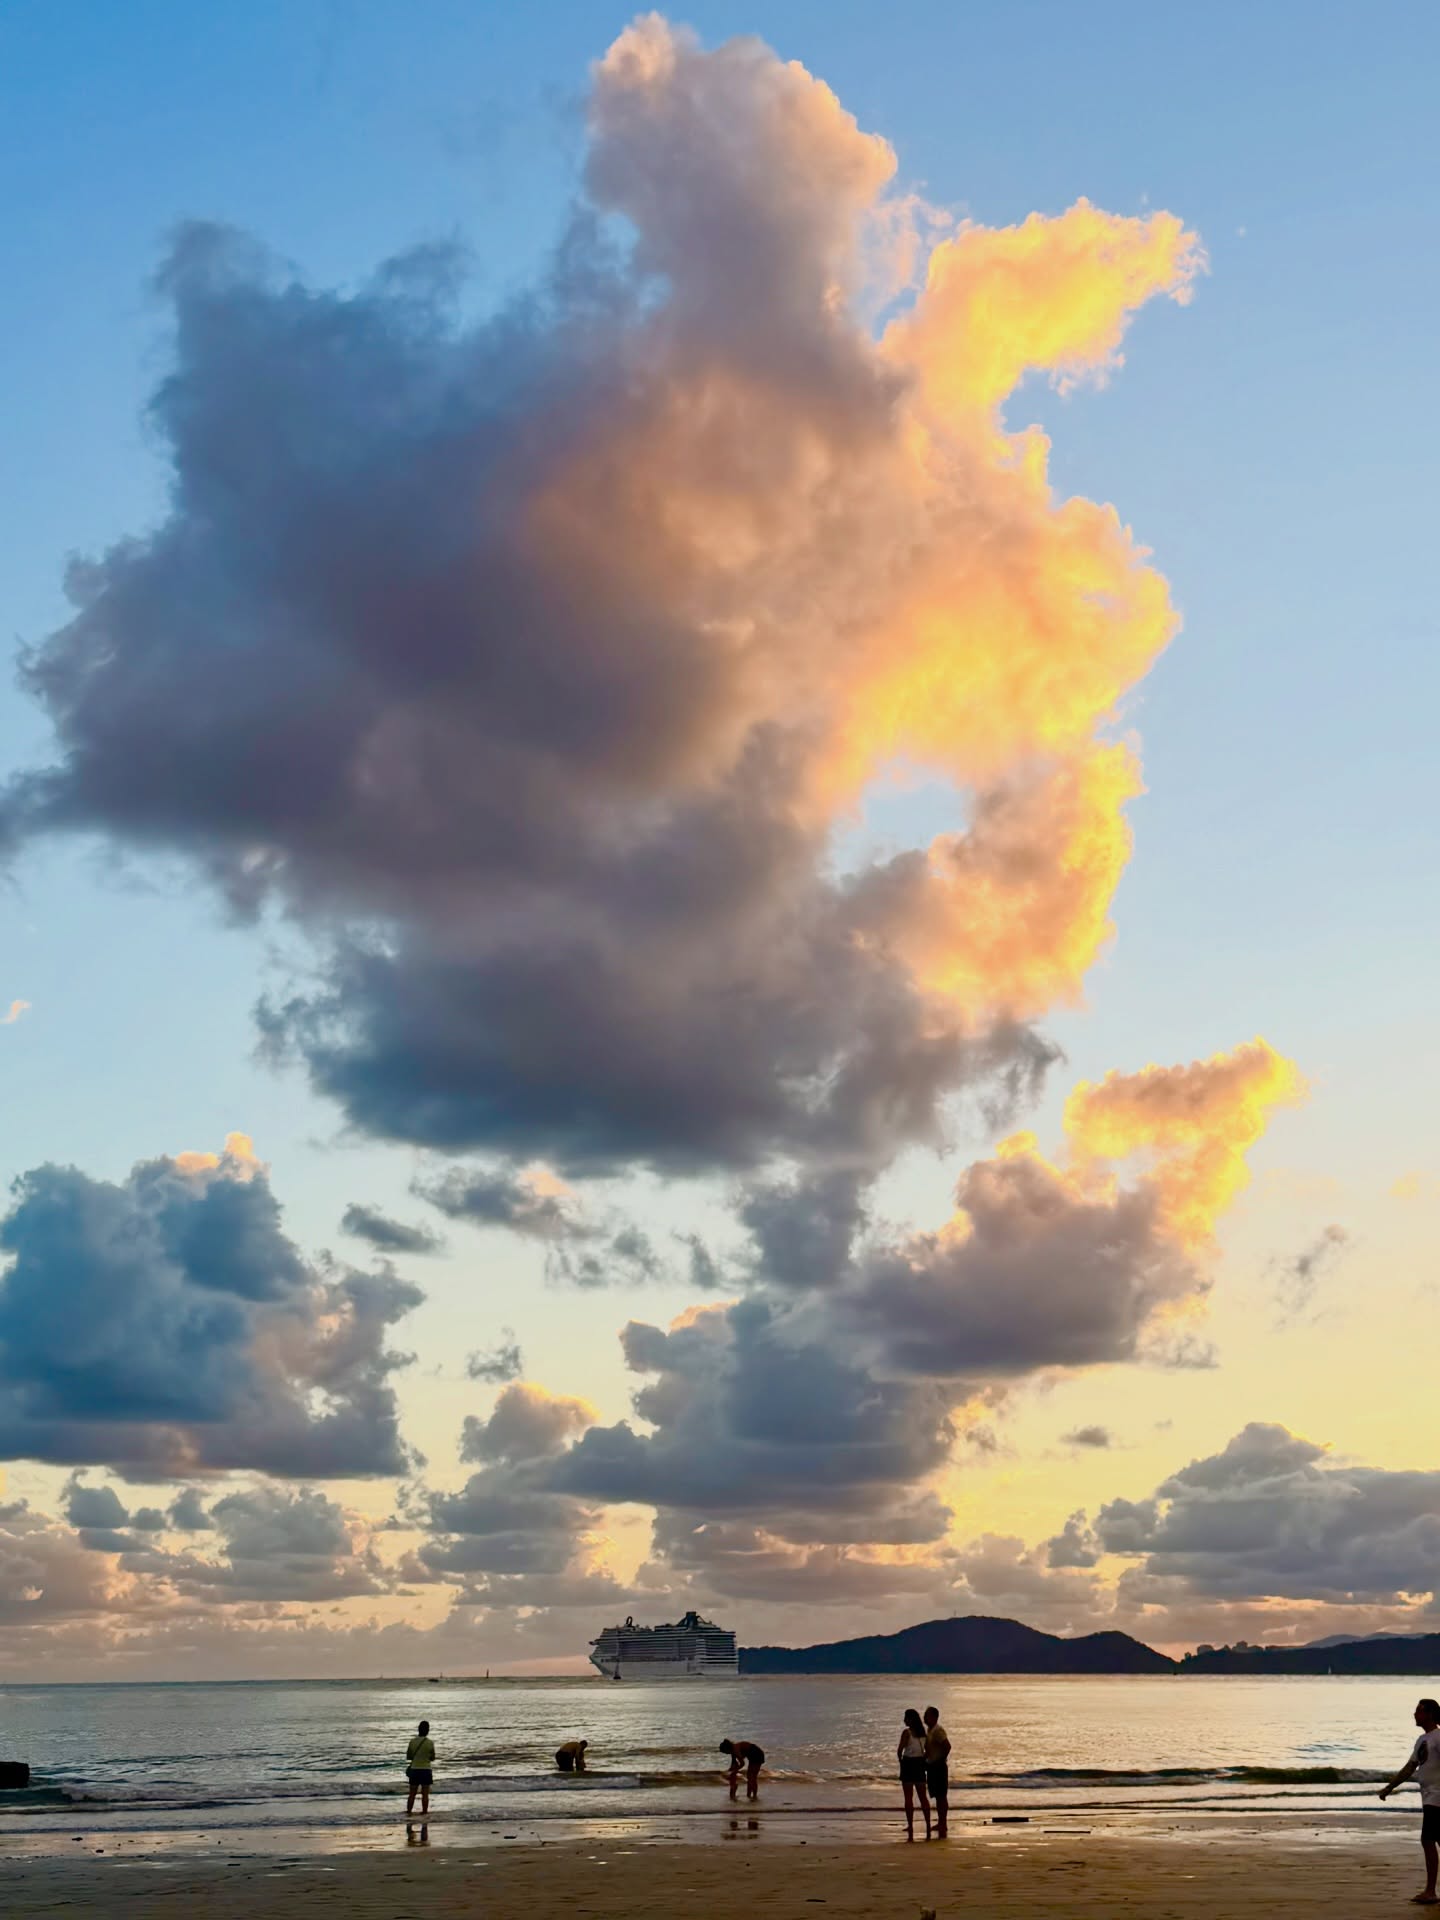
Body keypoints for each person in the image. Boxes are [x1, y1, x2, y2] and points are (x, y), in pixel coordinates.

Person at [1380, 1697, 1440, 1903]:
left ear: (1430, 1714)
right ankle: (1431, 1890)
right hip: (1430, 1797)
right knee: (1434, 1840)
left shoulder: (1439, 1737)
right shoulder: (1422, 1740)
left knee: (1427, 1840)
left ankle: (1431, 1892)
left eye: (1419, 1711)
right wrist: (1390, 1786)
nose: (1415, 1714)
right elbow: (1410, 1767)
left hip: (1438, 1797)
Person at [898, 1707, 931, 1841]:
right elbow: (927, 1751)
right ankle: (928, 1824)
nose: (904, 1720)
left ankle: (910, 1825)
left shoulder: (907, 1733)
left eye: (905, 1717)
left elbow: (900, 1749)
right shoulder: (923, 1734)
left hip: (908, 1764)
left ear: (910, 1719)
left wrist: (900, 1761)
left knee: (908, 1797)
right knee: (923, 1797)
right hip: (919, 1764)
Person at [923, 1704, 951, 1840]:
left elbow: (947, 1746)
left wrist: (940, 1760)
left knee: (941, 1795)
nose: (924, 1717)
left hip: (938, 1766)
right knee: (937, 1795)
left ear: (934, 1717)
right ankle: (941, 1822)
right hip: (932, 1766)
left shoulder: (938, 1730)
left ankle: (943, 1823)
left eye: (927, 1715)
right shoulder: (930, 1730)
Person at [405, 1718, 435, 1818]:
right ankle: (424, 1813)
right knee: (425, 1794)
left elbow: (409, 1757)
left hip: (414, 1769)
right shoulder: (430, 1743)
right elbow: (433, 1758)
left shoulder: (412, 1742)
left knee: (412, 1793)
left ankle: (409, 1812)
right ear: (428, 1730)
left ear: (418, 1729)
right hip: (426, 1770)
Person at [719, 1737, 765, 1801]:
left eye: (725, 1752)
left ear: (727, 1749)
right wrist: (730, 1771)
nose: (726, 1754)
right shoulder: (733, 1751)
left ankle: (754, 1796)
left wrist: (735, 1771)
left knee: (752, 1777)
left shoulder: (735, 1750)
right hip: (752, 1755)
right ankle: (749, 1795)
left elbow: (742, 1763)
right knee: (749, 1777)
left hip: (757, 1754)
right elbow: (734, 1764)